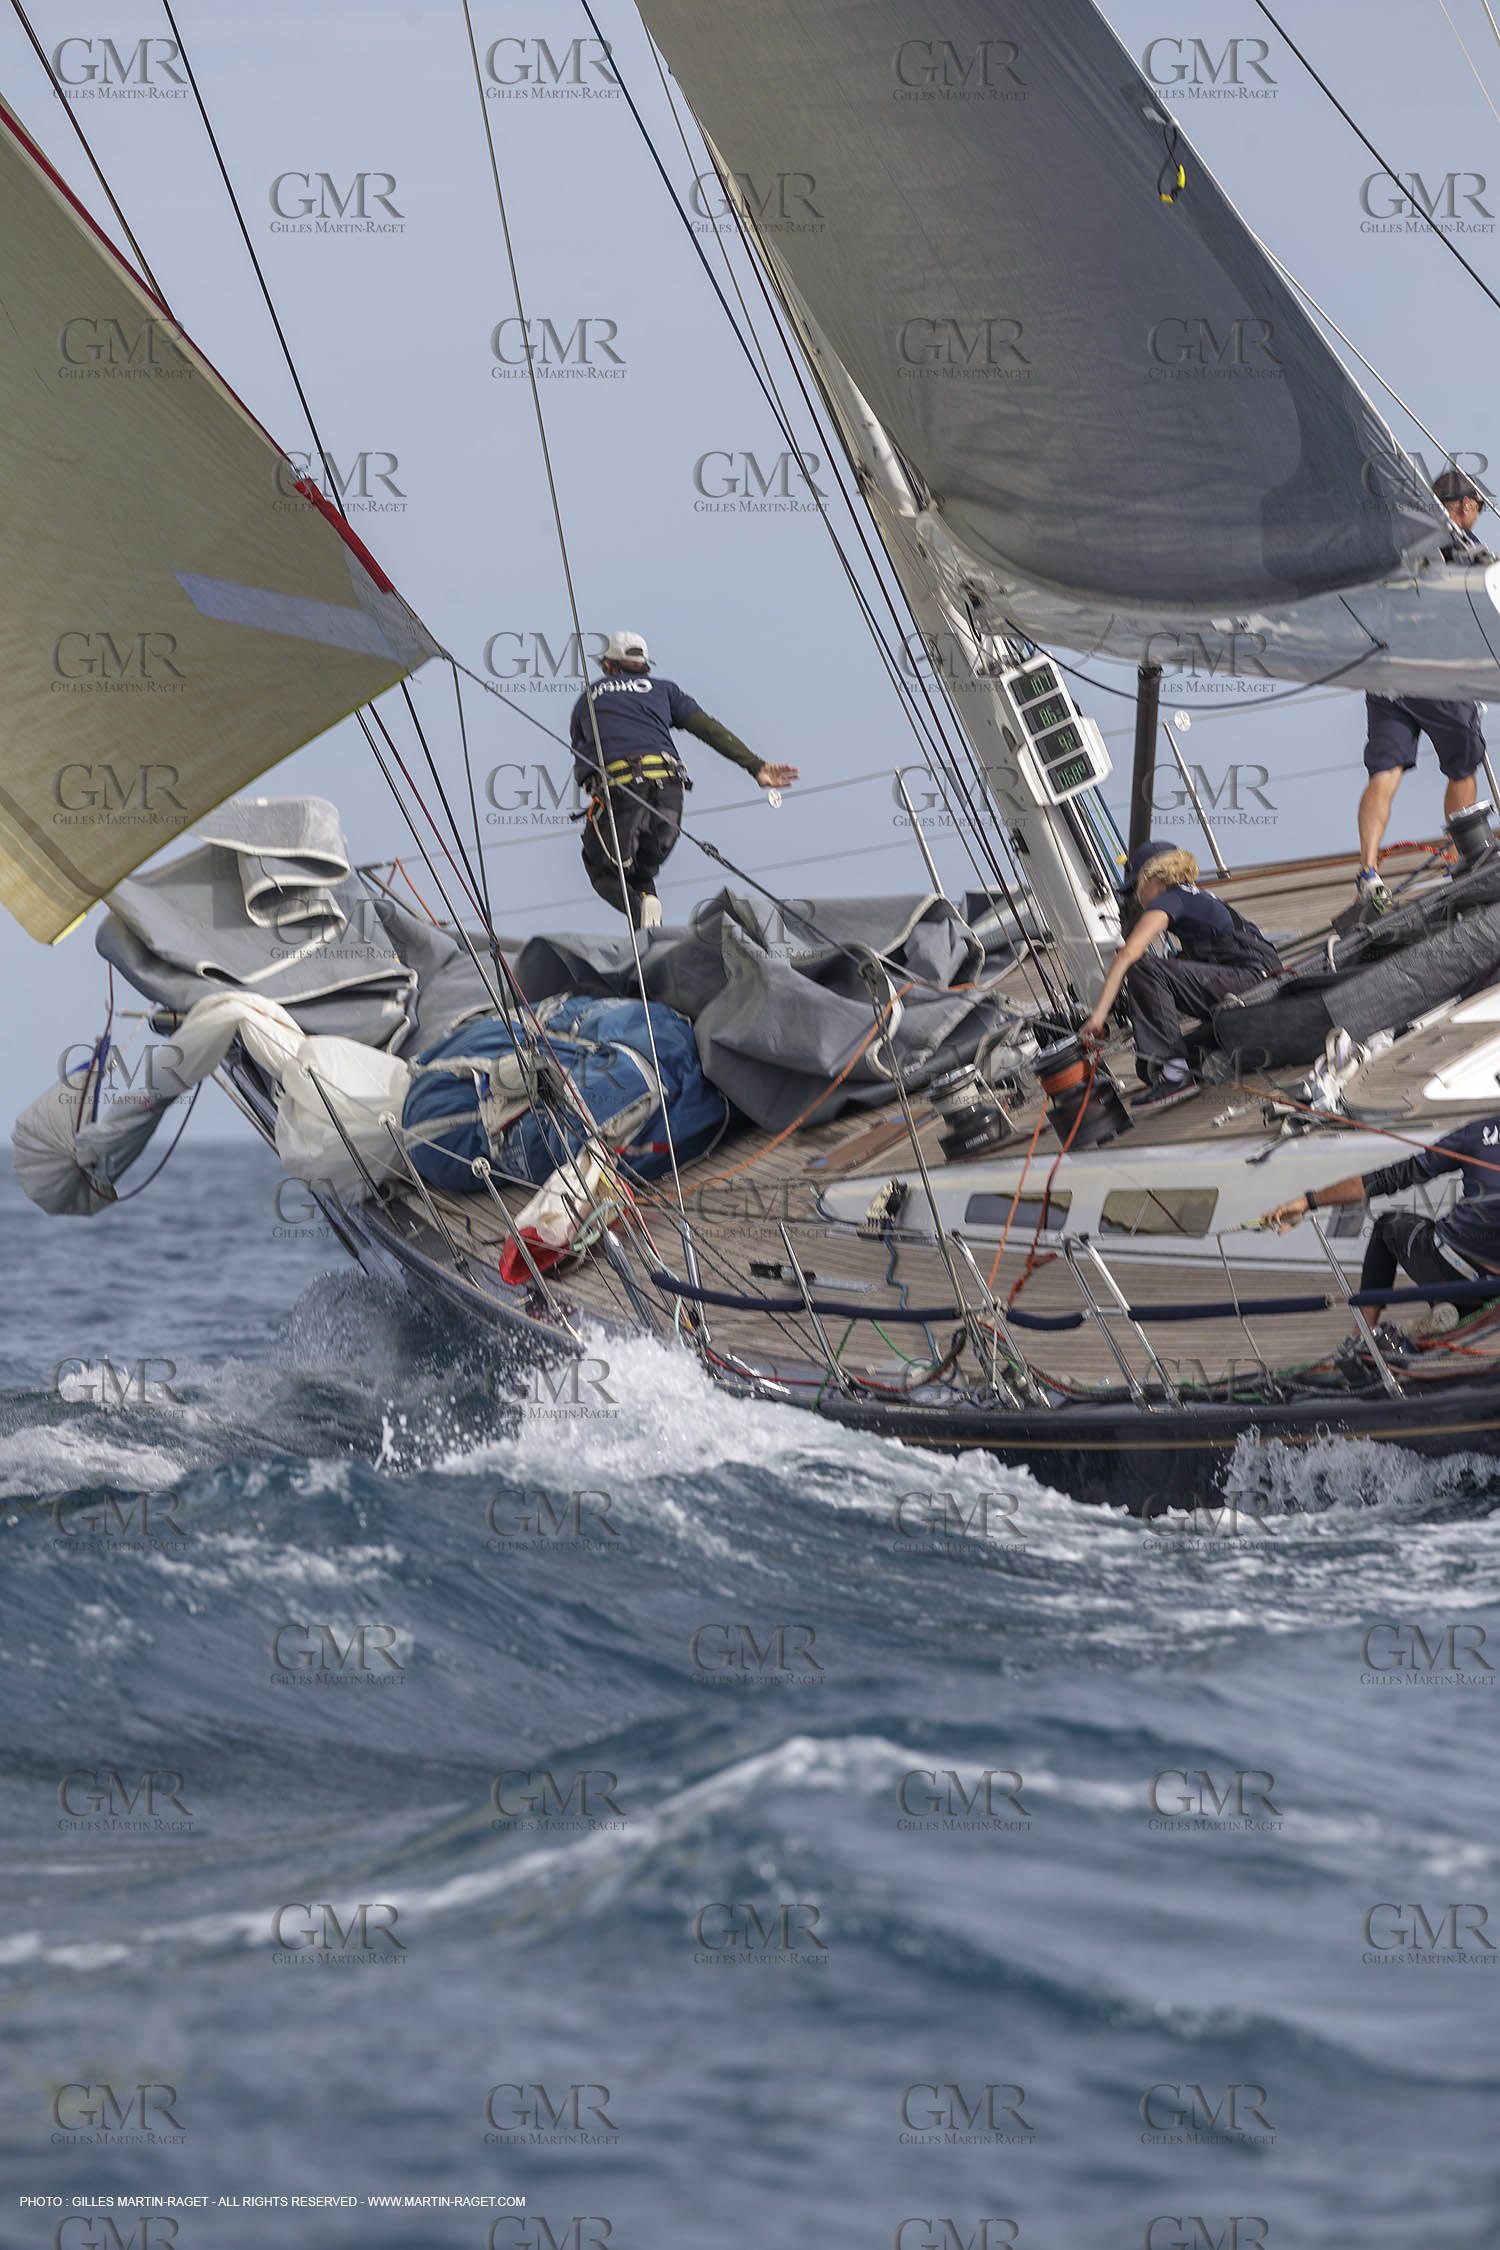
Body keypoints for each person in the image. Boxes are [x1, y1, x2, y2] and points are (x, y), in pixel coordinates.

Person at [570, 631, 798, 928]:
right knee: (642, 875)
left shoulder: (589, 697)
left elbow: (583, 762)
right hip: (671, 796)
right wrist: (756, 766)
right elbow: (708, 729)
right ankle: (650, 938)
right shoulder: (664, 690)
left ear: (610, 667)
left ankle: (641, 915)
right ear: (644, 667)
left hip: (624, 793)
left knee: (603, 868)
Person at [1354, 469, 1496, 914]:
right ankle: (1466, 854)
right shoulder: (1461, 548)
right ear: (1463, 506)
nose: (1477, 514)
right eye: (1476, 506)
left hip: (1386, 678)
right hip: (1434, 674)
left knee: (1385, 773)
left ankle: (1368, 870)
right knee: (1463, 766)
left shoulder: (1392, 543)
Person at [1080, 840, 1282, 1113]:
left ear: (1154, 877)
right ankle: (1192, 1063)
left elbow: (1129, 955)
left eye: (1136, 887)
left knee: (1145, 968)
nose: (1136, 897)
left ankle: (1177, 1077)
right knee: (1148, 1064)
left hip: (1248, 979)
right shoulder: (1197, 896)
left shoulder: (1170, 898)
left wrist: (1098, 1016)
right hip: (1258, 979)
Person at [1260, 1114, 1500, 1305]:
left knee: (1389, 1224)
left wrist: (1308, 1201)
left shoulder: (1477, 1133)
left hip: (1452, 1271)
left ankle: (1364, 1334)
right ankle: (1447, 1307)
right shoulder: (1475, 1134)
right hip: (1488, 1285)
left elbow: (1392, 1177)